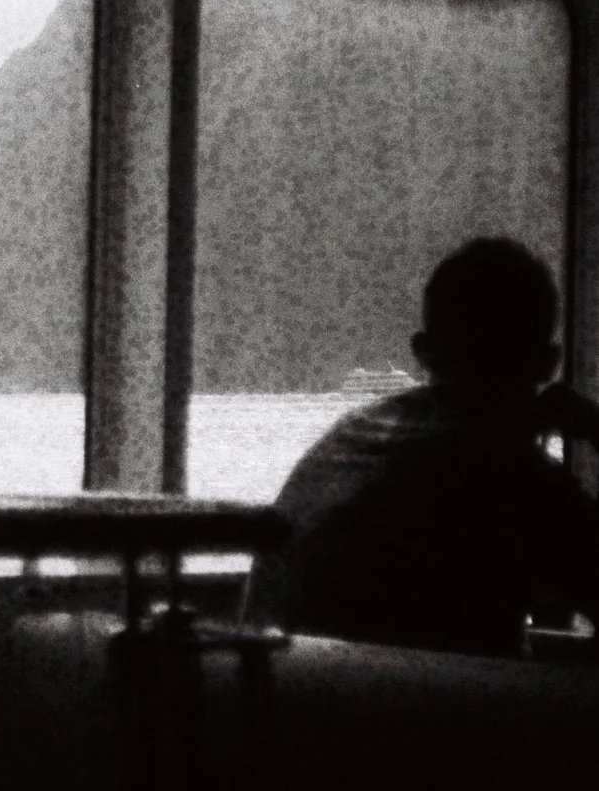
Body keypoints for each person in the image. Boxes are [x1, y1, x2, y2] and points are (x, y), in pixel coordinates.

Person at [245, 237, 599, 658]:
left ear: (423, 353)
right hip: (420, 716)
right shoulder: (519, 477)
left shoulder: (352, 437)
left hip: (278, 702)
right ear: (549, 362)